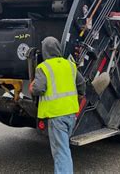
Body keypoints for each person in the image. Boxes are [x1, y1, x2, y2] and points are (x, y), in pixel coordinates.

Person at [30, 36, 85, 174]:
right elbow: (82, 84)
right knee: (64, 149)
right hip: (71, 115)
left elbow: (38, 89)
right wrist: (79, 96)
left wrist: (31, 88)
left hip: (56, 117)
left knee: (61, 152)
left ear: (45, 51)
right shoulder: (70, 65)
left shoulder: (44, 67)